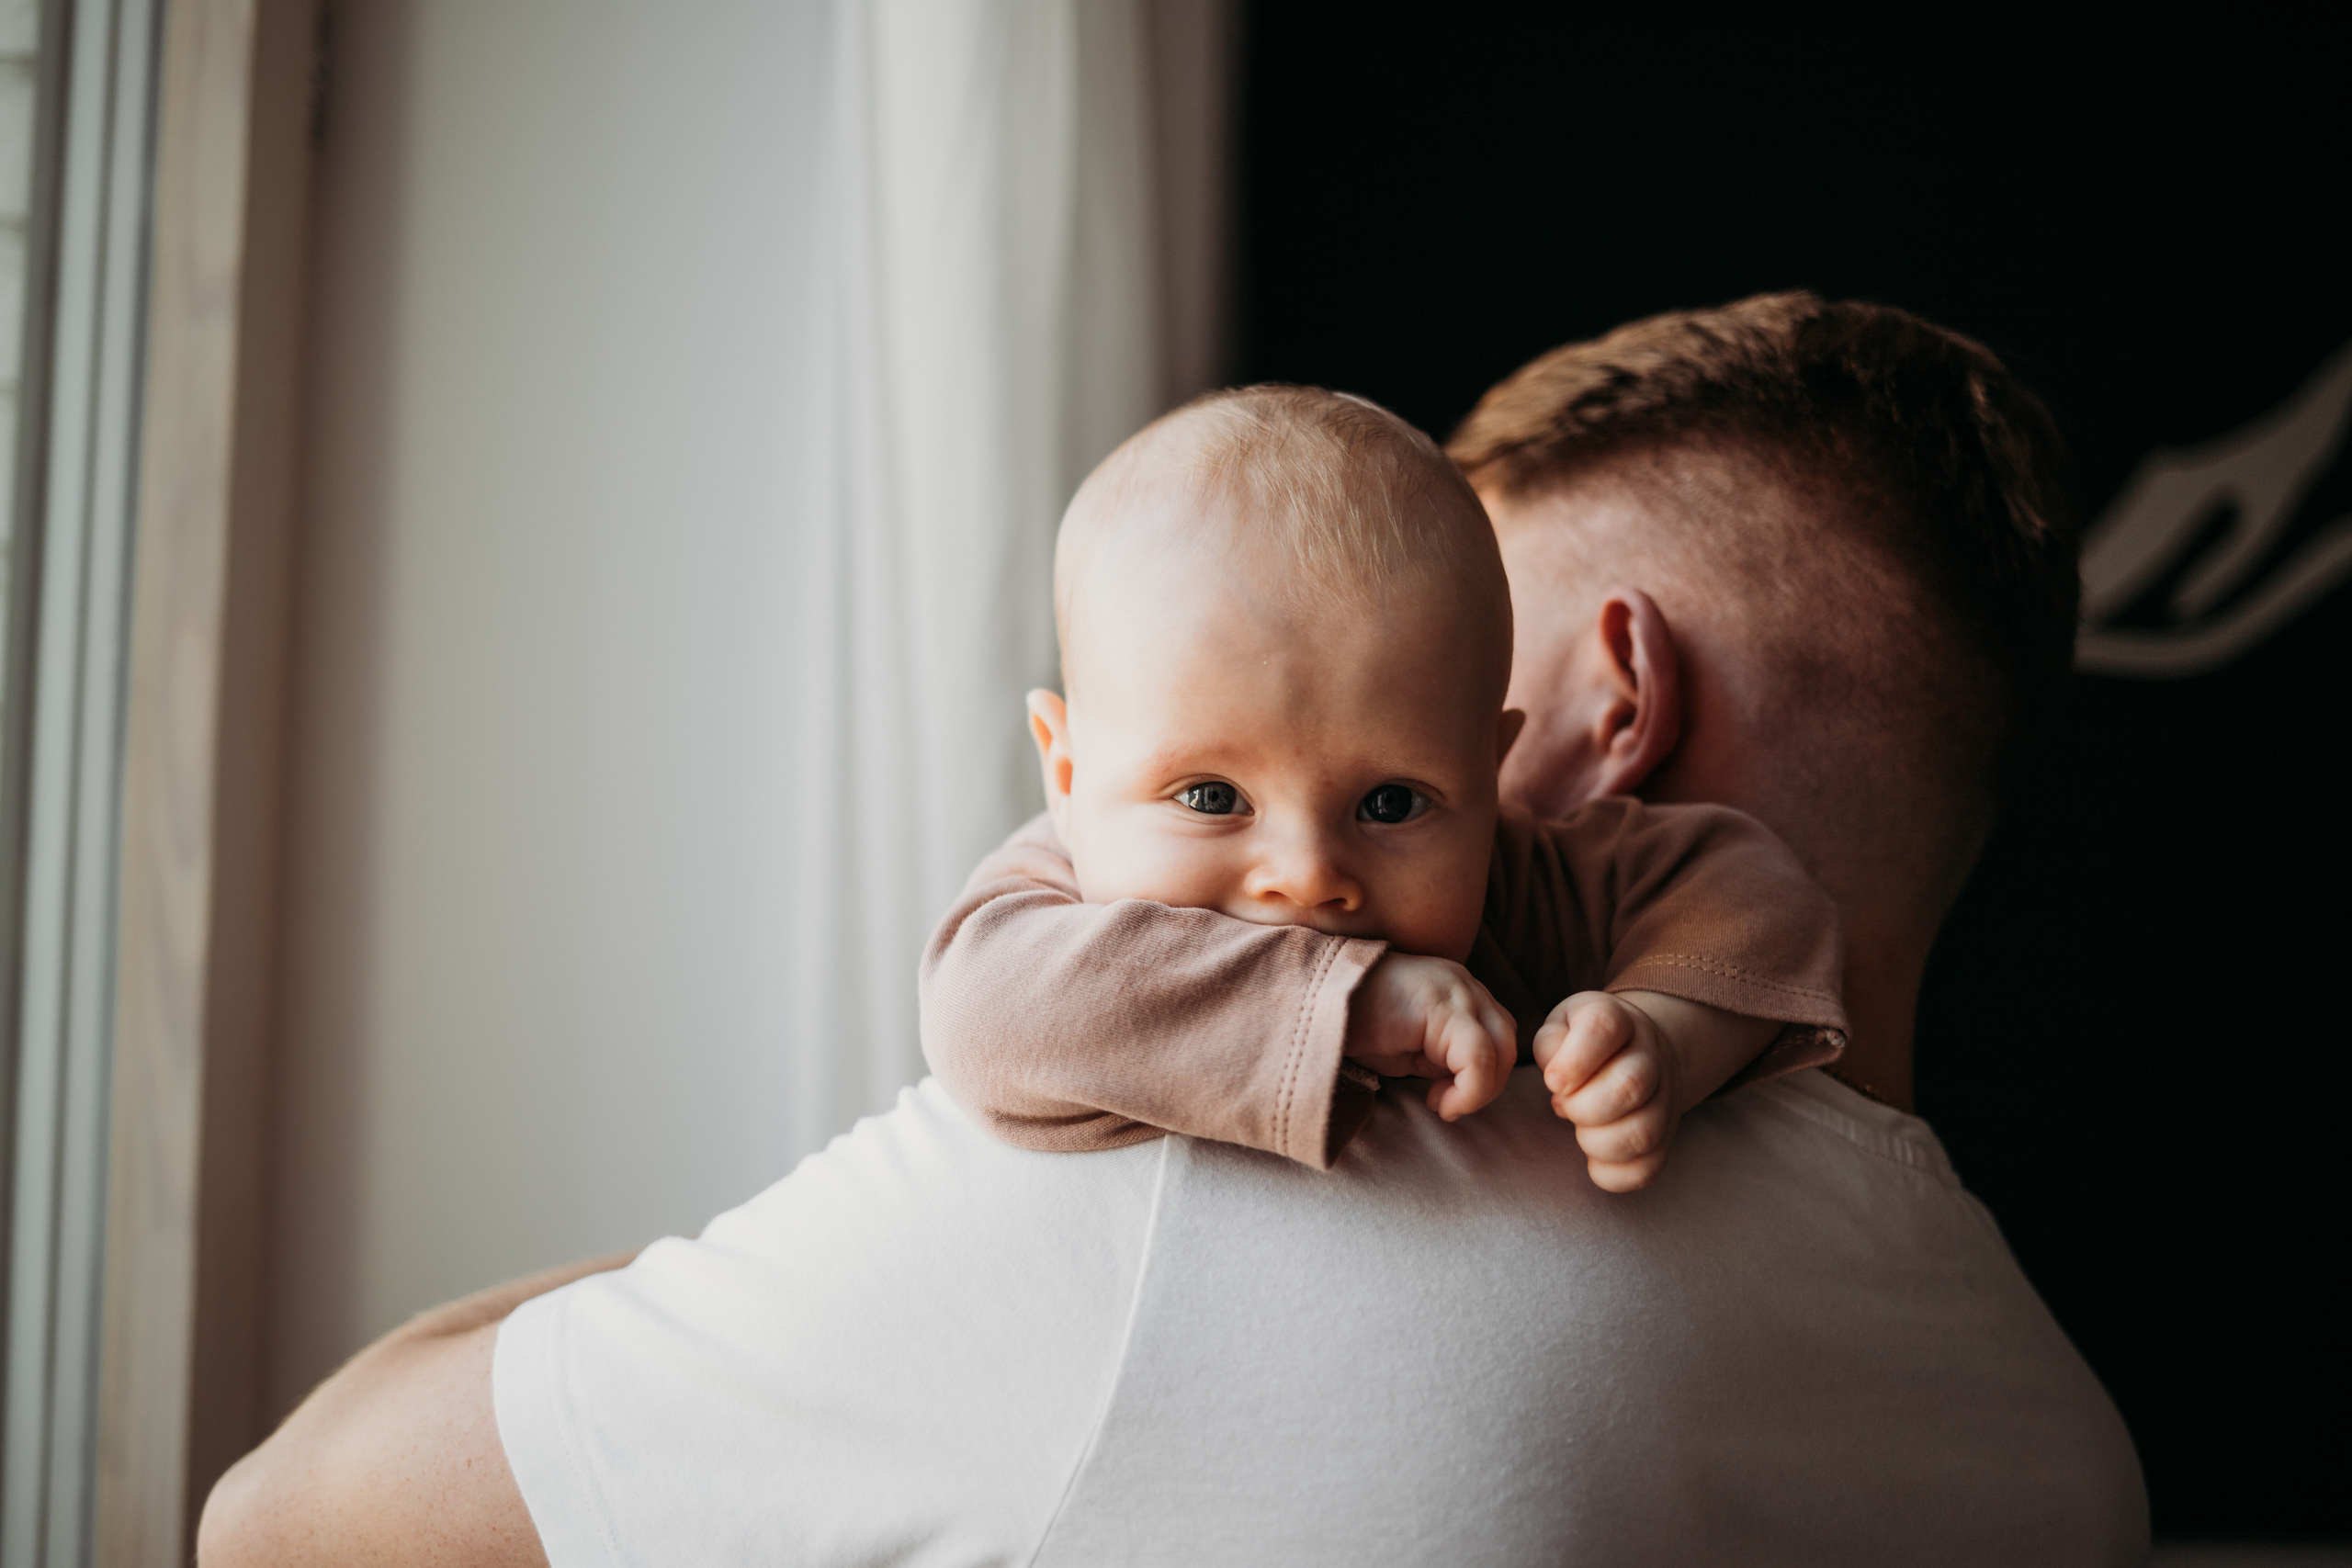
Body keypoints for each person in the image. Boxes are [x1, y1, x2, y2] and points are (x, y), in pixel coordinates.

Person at [198, 293, 2149, 1567]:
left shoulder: (1181, 1202)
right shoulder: (2061, 1451)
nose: (1300, 882)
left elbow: (287, 1519)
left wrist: (849, 1226)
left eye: (1398, 745)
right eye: (1214, 780)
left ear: (1601, 706)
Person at [920, 382, 1849, 1190]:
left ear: (1488, 776)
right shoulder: (1050, 907)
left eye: (1390, 804)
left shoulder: (1519, 886)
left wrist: (1668, 1035)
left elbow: (1751, 890)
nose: (1307, 873)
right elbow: (982, 1015)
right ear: (1066, 773)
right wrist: (1352, 1003)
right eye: (1210, 797)